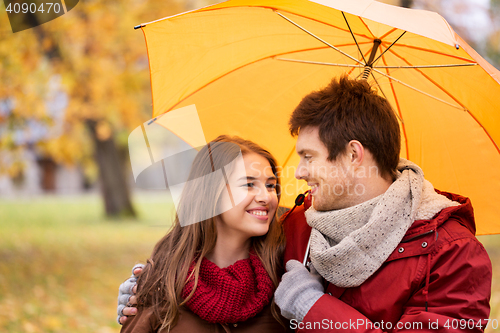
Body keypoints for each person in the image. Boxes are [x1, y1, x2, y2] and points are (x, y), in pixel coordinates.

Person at [119, 77, 492, 332]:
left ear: (353, 155)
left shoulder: (454, 255)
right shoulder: (297, 226)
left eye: (309, 157)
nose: (300, 173)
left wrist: (315, 310)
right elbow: (224, 256)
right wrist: (156, 289)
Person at [119, 135, 289, 332]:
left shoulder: (284, 280)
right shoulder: (162, 283)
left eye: (270, 185)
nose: (266, 197)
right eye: (249, 184)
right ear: (211, 191)